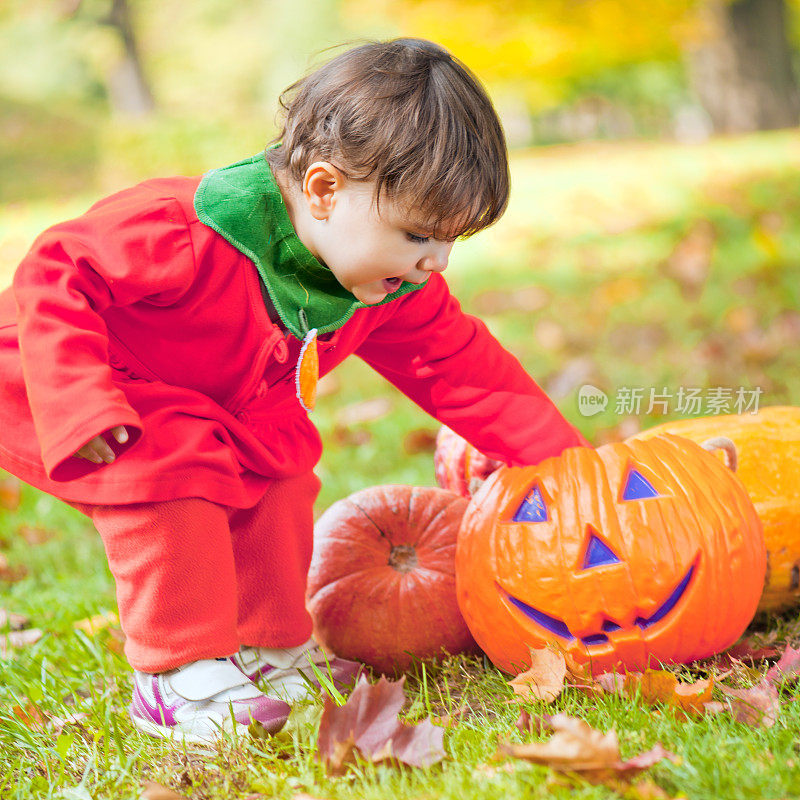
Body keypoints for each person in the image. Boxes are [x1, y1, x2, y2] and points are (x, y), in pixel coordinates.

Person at [0, 38, 588, 744]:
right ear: (323, 189)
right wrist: (78, 399)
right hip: (66, 373)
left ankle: (268, 646)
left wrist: (569, 468)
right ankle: (177, 678)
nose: (436, 261)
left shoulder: (387, 284)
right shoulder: (184, 228)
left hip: (210, 401)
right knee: (176, 471)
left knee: (278, 468)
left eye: (451, 241)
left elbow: (461, 367)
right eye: (417, 234)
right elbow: (56, 273)